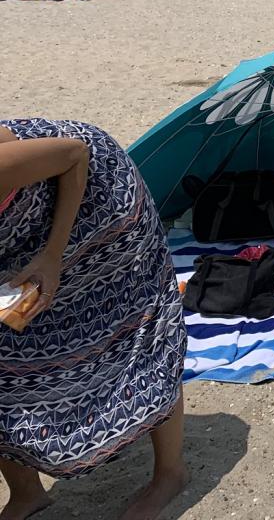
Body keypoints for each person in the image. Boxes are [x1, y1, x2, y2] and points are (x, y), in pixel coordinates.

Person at [0, 119, 188, 520]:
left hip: (98, 195)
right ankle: (26, 493)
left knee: (136, 329)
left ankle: (170, 473)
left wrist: (52, 257)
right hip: (19, 221)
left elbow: (74, 155)